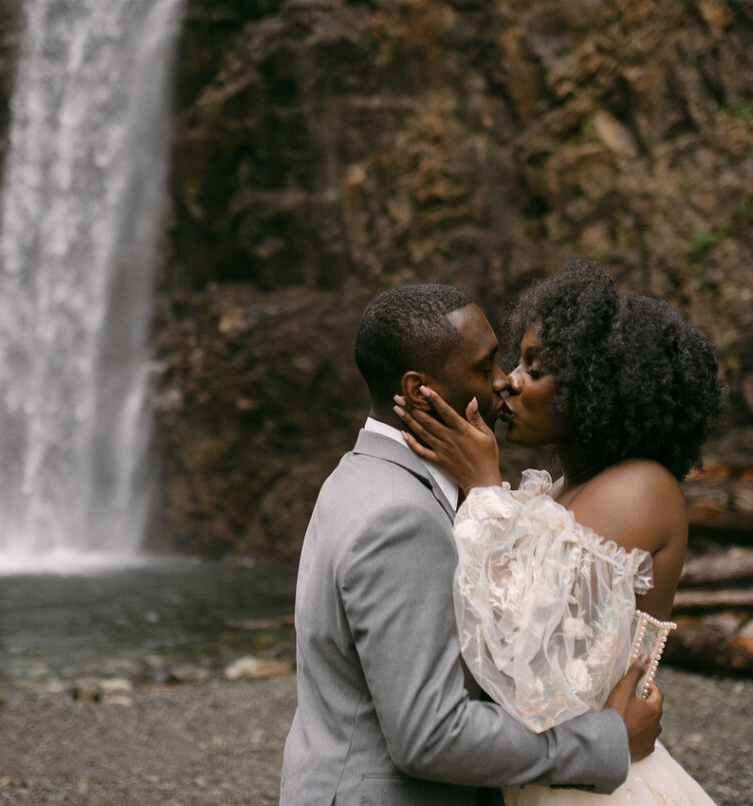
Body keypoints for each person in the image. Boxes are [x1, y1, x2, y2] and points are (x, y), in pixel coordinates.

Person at [280, 283, 663, 806]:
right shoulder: (402, 519)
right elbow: (431, 733)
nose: (504, 382)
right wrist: (607, 742)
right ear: (419, 391)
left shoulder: (357, 477)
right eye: (486, 369)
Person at [393, 262, 725, 805]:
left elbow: (522, 643)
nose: (509, 382)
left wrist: (482, 486)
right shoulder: (552, 494)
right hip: (549, 778)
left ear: (600, 387)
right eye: (516, 362)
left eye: (535, 368)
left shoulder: (641, 487)